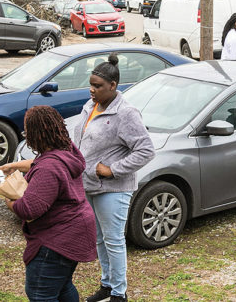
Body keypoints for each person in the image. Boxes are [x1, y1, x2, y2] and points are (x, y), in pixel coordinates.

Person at [0, 106, 97, 302]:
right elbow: (41, 161)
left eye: (27, 132)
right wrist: (13, 166)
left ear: (36, 135)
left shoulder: (48, 169)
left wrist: (9, 198)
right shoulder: (67, 151)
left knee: (40, 293)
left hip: (57, 240)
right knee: (62, 286)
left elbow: (29, 209)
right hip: (76, 230)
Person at [79, 53, 155, 302]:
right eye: (91, 84)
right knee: (99, 239)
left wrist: (113, 170)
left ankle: (119, 294)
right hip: (90, 184)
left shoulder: (126, 113)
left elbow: (145, 150)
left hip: (114, 189)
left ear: (113, 86)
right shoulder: (90, 106)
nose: (92, 90)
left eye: (98, 86)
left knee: (113, 240)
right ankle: (107, 285)